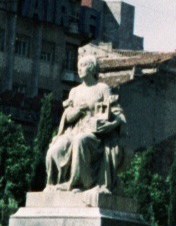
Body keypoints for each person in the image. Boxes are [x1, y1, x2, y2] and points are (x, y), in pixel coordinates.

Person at [45, 54, 125, 191]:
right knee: (54, 150)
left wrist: (110, 124)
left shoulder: (103, 88)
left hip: (94, 134)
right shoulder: (74, 91)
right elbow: (68, 117)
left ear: (92, 68)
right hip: (74, 130)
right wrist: (78, 111)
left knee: (80, 141)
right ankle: (53, 184)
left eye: (83, 65)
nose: (79, 69)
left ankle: (78, 184)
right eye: (79, 66)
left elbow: (118, 114)